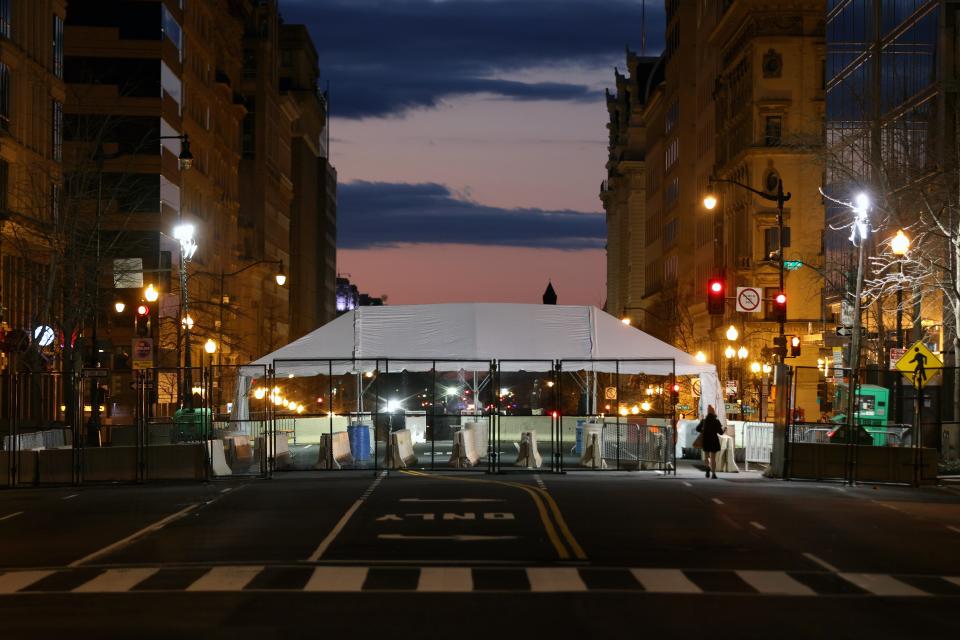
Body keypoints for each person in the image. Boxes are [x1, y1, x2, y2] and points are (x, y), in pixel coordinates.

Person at [696, 404, 724, 479]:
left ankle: (707, 467)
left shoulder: (704, 421)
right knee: (713, 458)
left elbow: (697, 429)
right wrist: (724, 429)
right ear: (714, 413)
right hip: (714, 440)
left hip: (706, 440)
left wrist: (703, 430)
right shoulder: (716, 421)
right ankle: (713, 474)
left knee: (706, 456)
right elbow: (720, 432)